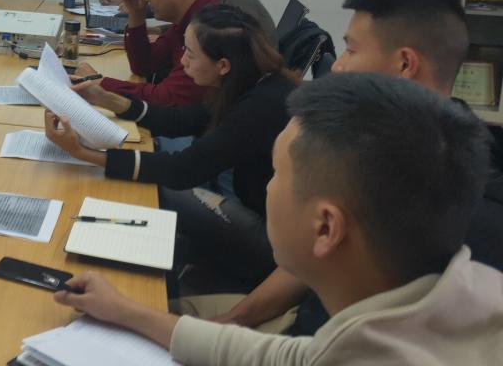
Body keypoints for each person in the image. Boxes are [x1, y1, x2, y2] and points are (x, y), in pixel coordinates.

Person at [54, 72, 503, 365]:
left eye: (277, 175)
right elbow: (289, 357)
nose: (266, 188)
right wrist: (125, 310)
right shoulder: (457, 292)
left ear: (325, 228)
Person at [197, 0, 503, 335]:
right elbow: (312, 257)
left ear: (405, 65)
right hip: (299, 328)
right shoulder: (377, 142)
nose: (338, 66)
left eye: (351, 50)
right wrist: (235, 319)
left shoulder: (464, 198)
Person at [46, 4, 297, 288]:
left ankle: (161, 281)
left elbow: (181, 171)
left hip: (273, 242)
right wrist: (105, 98)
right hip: (248, 203)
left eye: (190, 54)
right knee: (142, 179)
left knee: (155, 190)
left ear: (223, 65)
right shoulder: (246, 79)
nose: (182, 61)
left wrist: (84, 154)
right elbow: (179, 120)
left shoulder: (260, 106)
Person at [79, 0, 219, 108]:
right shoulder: (184, 21)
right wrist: (136, 15)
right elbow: (144, 65)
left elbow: (166, 97)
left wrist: (101, 83)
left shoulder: (209, 26)